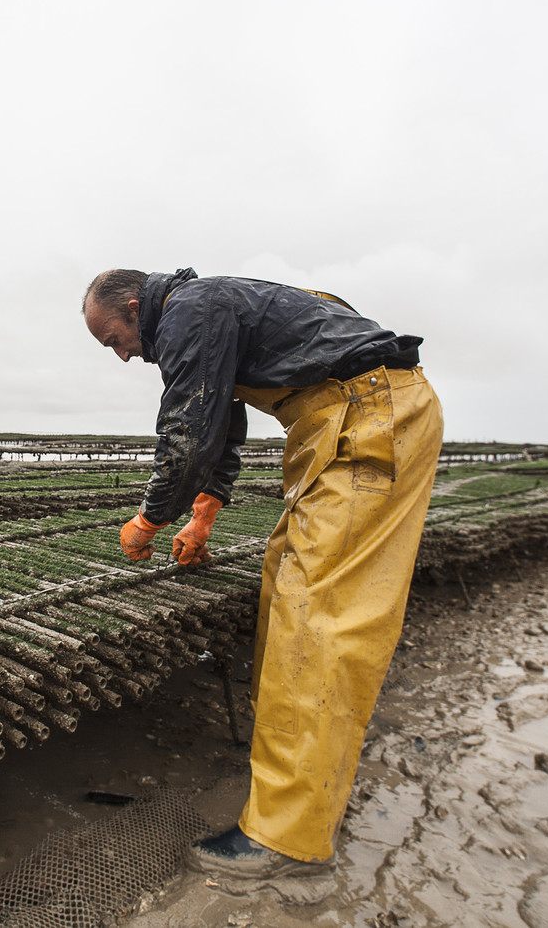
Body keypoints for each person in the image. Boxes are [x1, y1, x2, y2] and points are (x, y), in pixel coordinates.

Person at [82, 267, 443, 887]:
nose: (124, 356)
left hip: (368, 422)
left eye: (115, 339)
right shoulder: (210, 307)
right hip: (353, 421)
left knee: (317, 626)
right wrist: (203, 515)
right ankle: (289, 768)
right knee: (285, 582)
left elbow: (188, 433)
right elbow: (221, 421)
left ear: (138, 308)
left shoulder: (190, 309)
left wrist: (149, 517)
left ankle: (288, 838)